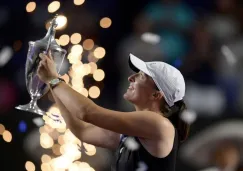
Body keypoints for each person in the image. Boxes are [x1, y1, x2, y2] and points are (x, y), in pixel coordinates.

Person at [37, 52, 190, 171]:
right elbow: (82, 130)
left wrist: (55, 81)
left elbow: (88, 113)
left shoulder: (158, 123)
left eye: (141, 76)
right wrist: (52, 85)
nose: (131, 77)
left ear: (156, 95)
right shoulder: (135, 132)